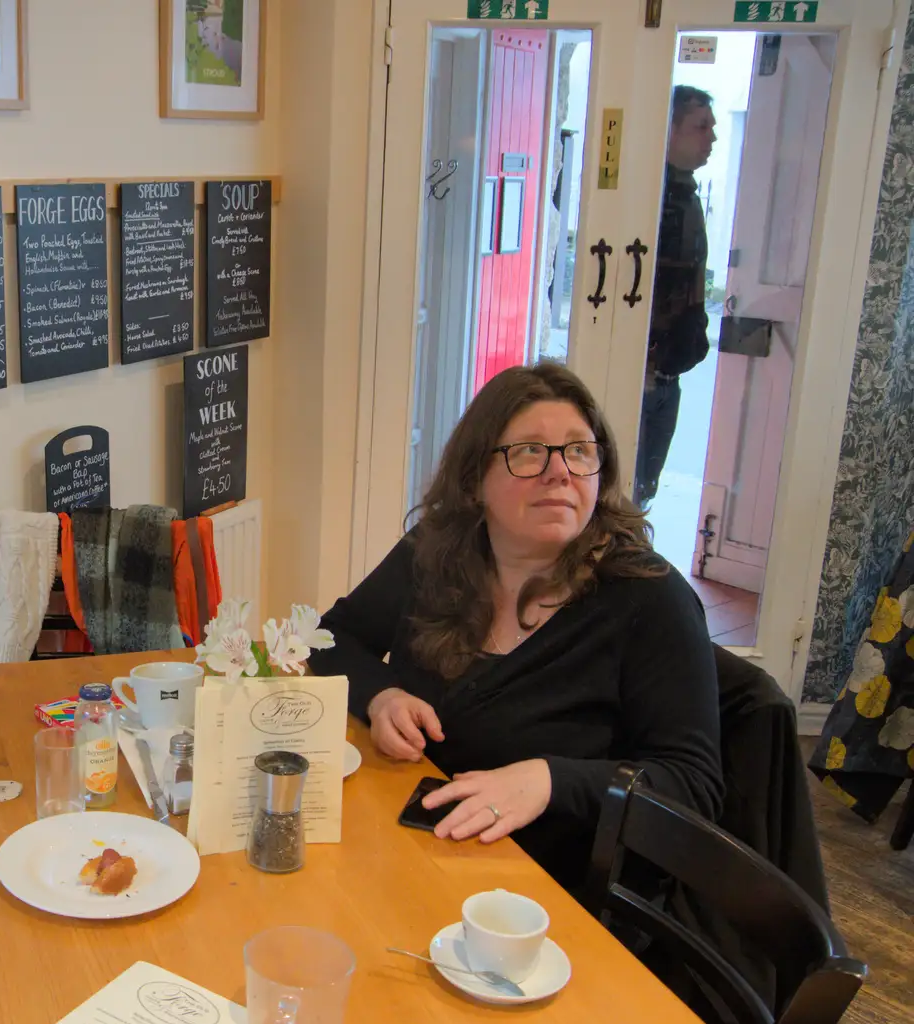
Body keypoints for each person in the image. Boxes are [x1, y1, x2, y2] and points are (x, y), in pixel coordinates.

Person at [309, 364, 722, 892]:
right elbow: (330, 637)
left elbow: (693, 788)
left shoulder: (650, 597)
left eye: (579, 451)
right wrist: (381, 697)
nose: (560, 472)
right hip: (420, 849)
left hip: (553, 893)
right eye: (529, 451)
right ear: (474, 478)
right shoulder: (433, 554)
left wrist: (551, 780)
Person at [635, 85, 716, 509]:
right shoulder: (647, 198)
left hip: (668, 374)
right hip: (643, 374)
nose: (712, 138)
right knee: (625, 496)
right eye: (701, 127)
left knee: (645, 490)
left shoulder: (686, 195)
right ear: (668, 131)